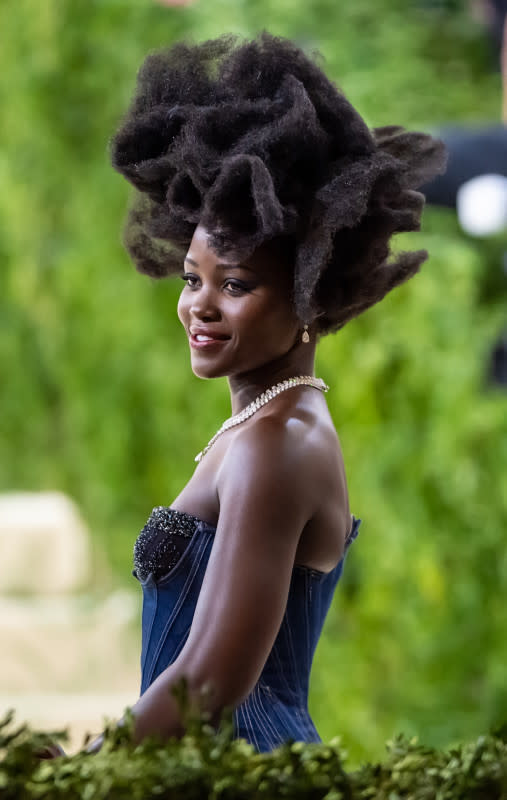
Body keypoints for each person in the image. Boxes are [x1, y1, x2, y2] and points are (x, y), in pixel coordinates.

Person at [85, 32, 446, 755]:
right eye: (193, 278)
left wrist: (86, 769)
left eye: (237, 284)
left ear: (310, 297)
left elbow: (212, 682)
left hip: (240, 766)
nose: (199, 306)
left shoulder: (276, 443)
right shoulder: (264, 426)